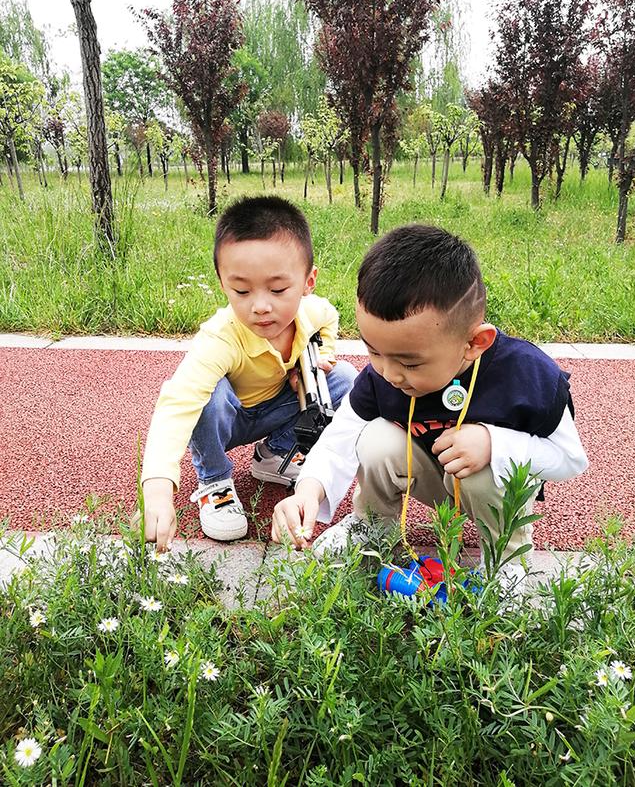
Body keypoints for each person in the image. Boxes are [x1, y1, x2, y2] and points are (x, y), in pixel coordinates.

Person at [271, 224, 588, 569]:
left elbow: (571, 459)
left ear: (474, 343)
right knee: (375, 438)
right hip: (431, 475)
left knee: (486, 467)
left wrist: (495, 445)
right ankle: (372, 529)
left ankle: (505, 559)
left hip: (489, 486)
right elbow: (339, 439)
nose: (389, 374)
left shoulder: (527, 375)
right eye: (374, 351)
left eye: (410, 363)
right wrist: (308, 491)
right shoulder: (384, 374)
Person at [136, 195, 357, 550]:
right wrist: (158, 488)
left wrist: (318, 358)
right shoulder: (220, 337)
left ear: (308, 281)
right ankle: (214, 480)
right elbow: (177, 404)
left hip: (276, 409)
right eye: (241, 290)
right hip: (228, 420)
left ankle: (274, 455)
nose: (261, 306)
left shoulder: (313, 311)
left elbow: (329, 316)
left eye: (278, 289)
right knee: (208, 395)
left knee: (344, 378)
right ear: (222, 283)